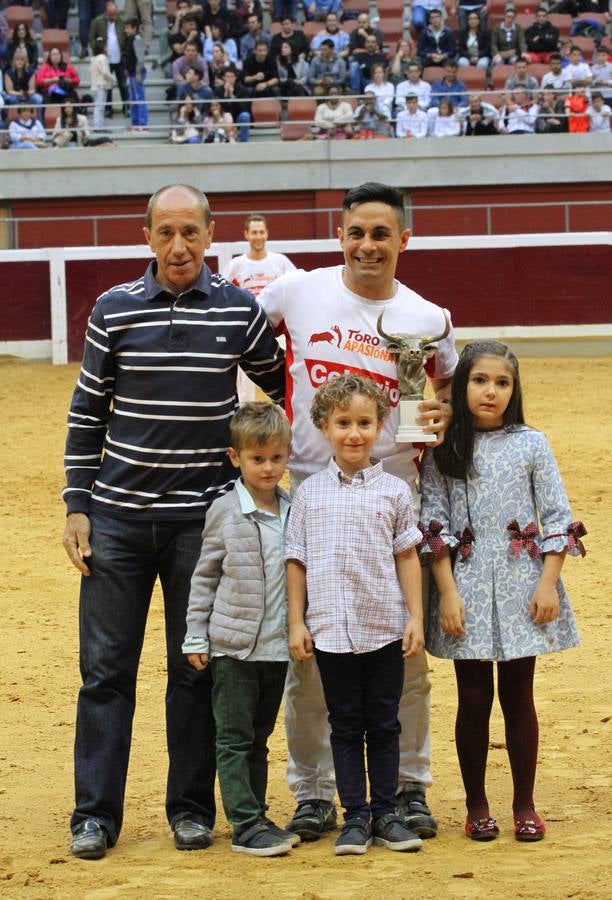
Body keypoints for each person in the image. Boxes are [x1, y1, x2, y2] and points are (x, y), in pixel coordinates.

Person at [62, 184, 285, 861]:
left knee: (194, 670)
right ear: (147, 235)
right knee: (105, 673)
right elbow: (87, 411)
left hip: (204, 527)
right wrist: (77, 505)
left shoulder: (240, 310)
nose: (179, 246)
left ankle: (189, 809)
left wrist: (252, 475)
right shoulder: (114, 309)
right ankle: (95, 816)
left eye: (191, 231)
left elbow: (274, 382)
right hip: (118, 521)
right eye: (166, 232)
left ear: (211, 233)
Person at [258, 182, 457, 843]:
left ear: (404, 240)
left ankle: (408, 787)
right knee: (312, 657)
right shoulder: (297, 291)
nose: (367, 245)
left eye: (381, 234)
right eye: (356, 233)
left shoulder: (429, 315)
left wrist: (444, 414)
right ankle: (314, 792)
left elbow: (450, 385)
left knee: (404, 654)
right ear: (340, 236)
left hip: (396, 500)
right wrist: (260, 421)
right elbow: (238, 339)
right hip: (311, 494)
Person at [419, 341, 582, 842]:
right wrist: (446, 592)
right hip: (463, 585)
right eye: (480, 381)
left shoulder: (533, 443)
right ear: (461, 383)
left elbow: (555, 517)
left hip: (521, 584)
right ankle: (476, 805)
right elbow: (435, 523)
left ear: (514, 390)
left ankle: (525, 804)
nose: (491, 392)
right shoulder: (442, 447)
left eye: (502, 383)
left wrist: (548, 582)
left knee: (518, 695)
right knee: (472, 697)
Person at [286, 374, 425, 856]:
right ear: (324, 426)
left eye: (365, 423)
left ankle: (386, 813)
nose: (354, 434)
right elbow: (296, 560)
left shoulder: (393, 492)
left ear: (380, 426)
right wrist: (297, 622)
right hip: (329, 633)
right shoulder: (308, 494)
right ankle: (355, 818)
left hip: (384, 627)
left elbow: (408, 557)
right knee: (344, 724)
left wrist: (415, 617)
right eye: (343, 423)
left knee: (384, 722)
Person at [183, 402, 295, 857]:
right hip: (233, 648)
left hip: (277, 648)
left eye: (276, 458)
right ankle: (245, 824)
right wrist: (196, 634)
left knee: (260, 739)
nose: (268, 468)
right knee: (233, 738)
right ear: (236, 458)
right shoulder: (225, 511)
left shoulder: (294, 508)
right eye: (257, 458)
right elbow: (205, 576)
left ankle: (257, 813)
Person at [223, 214, 296, 401]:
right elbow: (223, 294)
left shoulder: (280, 262)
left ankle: (283, 416)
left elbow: (297, 287)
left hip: (275, 332)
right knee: (247, 384)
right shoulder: (236, 265)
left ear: (267, 234)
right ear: (246, 234)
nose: (258, 236)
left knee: (280, 376)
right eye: (254, 232)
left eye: (261, 232)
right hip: (246, 333)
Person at [89, 0, 128, 117]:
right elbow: (91, 39)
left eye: (115, 13)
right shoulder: (97, 21)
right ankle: (108, 108)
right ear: (105, 12)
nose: (113, 16)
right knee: (108, 86)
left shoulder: (122, 21)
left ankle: (127, 107)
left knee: (123, 84)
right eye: (111, 14)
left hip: (120, 58)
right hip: (105, 59)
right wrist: (99, 47)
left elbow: (127, 39)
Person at [123, 17, 148, 132]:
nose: (126, 30)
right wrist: (126, 68)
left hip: (137, 73)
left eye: (128, 28)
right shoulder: (129, 39)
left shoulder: (137, 39)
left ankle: (143, 123)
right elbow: (128, 56)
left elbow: (141, 58)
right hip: (131, 72)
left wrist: (138, 72)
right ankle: (135, 123)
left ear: (135, 28)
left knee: (139, 98)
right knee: (133, 99)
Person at [215, 68, 252, 142]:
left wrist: (232, 96)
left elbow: (244, 108)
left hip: (237, 117)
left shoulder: (242, 89)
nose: (229, 79)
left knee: (245, 115)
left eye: (232, 76)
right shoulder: (218, 90)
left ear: (235, 78)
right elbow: (220, 107)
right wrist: (225, 94)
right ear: (224, 78)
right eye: (227, 76)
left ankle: (243, 142)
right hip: (224, 118)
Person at [2, 50, 44, 115]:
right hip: (12, 94)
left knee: (37, 99)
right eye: (17, 60)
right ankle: (15, 121)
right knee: (14, 99)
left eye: (22, 60)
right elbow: (10, 91)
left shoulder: (31, 72)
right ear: (14, 62)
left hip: (27, 94)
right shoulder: (8, 73)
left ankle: (39, 121)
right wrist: (19, 93)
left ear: (25, 61)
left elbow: (32, 90)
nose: (19, 62)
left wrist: (25, 93)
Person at [90, 37, 116, 131]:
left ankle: (99, 127)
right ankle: (98, 127)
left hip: (95, 86)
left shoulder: (93, 59)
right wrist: (113, 79)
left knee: (98, 107)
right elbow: (105, 72)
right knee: (100, 108)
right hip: (101, 86)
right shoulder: (102, 57)